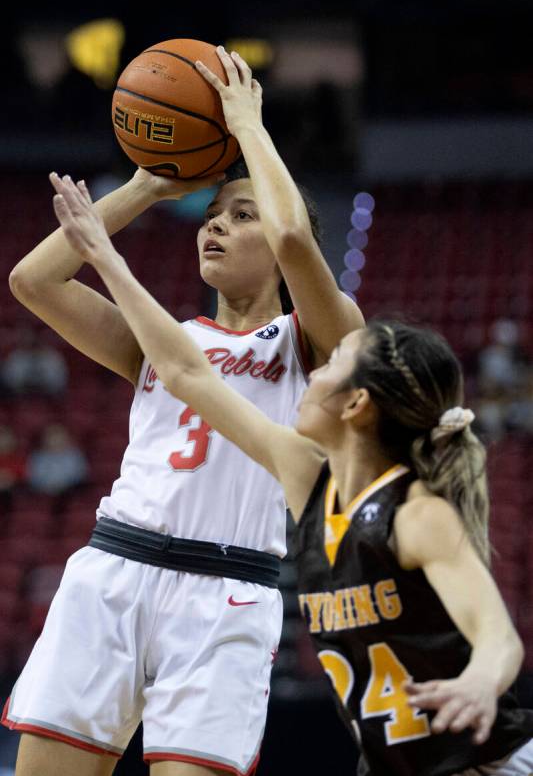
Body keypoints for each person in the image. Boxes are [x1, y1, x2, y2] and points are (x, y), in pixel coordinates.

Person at [47, 176, 533, 775]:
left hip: (481, 758)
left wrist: (482, 682)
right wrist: (137, 198)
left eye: (334, 371)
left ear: (356, 403)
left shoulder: (414, 514)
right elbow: (188, 375)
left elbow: (501, 638)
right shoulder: (303, 476)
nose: (314, 376)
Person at [2, 47, 364, 776]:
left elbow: (296, 236)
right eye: (211, 213)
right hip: (114, 569)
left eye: (241, 214)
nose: (214, 225)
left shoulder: (320, 341)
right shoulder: (164, 340)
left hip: (227, 591)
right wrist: (144, 186)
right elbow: (33, 280)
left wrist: (245, 123)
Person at [27, 423, 89, 496]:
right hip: (43, 493)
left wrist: (63, 485)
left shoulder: (75, 455)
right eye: (52, 437)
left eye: (59, 437)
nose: (56, 440)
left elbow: (80, 475)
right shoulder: (38, 457)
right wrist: (49, 486)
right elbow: (34, 478)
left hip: (70, 493)